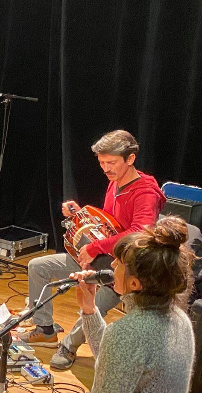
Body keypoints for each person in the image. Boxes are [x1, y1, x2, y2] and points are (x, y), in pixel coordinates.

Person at [19, 130, 165, 370]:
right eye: (102, 163)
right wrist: (80, 214)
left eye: (111, 163)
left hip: (126, 269)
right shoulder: (115, 182)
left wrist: (95, 247)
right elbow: (111, 224)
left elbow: (140, 232)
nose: (106, 169)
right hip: (102, 257)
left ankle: (69, 346)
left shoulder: (145, 192)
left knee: (93, 303)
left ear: (130, 159)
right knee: (37, 267)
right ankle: (45, 329)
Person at [69, 216, 195, 392]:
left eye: (119, 263)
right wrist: (89, 310)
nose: (112, 264)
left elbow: (122, 349)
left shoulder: (128, 333)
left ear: (135, 283)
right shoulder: (181, 319)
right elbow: (118, 360)